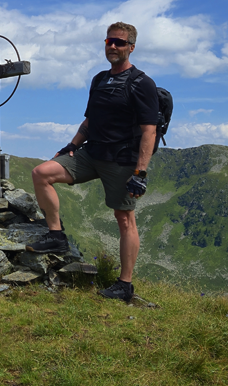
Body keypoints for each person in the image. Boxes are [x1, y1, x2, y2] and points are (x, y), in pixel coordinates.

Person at [28, 22, 158, 301]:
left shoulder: (142, 83)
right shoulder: (99, 79)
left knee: (124, 218)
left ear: (131, 47)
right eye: (109, 41)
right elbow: (90, 120)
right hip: (90, 152)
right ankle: (56, 236)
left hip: (121, 160)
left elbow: (149, 130)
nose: (112, 46)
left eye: (119, 42)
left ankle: (124, 284)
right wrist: (72, 145)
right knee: (42, 173)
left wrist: (141, 172)